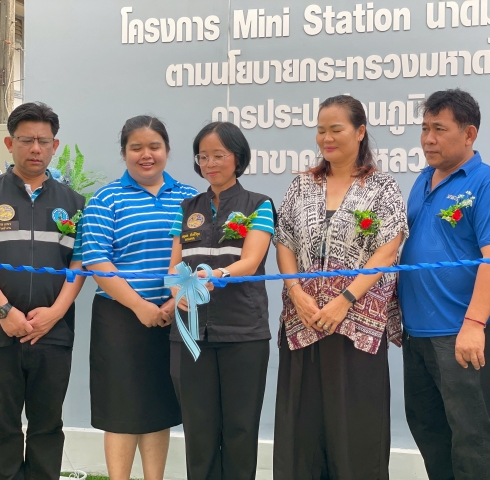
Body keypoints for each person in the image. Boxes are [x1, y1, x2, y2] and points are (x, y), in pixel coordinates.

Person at [273, 95, 408, 480]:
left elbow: (387, 249)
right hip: (303, 323)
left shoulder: (382, 187)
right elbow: (284, 241)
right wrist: (296, 292)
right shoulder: (302, 185)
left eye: (336, 129)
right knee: (302, 433)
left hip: (357, 328)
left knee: (356, 435)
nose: (326, 138)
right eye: (321, 130)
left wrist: (345, 300)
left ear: (360, 131)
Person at [0, 102, 86, 480]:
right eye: (26, 140)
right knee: (3, 427)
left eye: (44, 141)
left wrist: (55, 313)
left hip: (51, 334)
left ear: (55, 146)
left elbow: (79, 266)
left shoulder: (74, 204)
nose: (35, 148)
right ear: (10, 144)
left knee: (48, 426)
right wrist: (3, 311)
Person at [398, 89, 490, 480]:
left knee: (471, 437)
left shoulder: (488, 185)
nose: (428, 139)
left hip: (462, 332)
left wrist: (474, 324)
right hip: (417, 333)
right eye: (424, 129)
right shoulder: (422, 181)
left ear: (469, 134)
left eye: (439, 129)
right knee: (429, 432)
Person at [81, 116, 197, 480]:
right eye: (136, 148)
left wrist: (171, 303)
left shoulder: (189, 198)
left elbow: (195, 255)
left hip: (173, 313)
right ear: (124, 153)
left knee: (158, 408)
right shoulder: (107, 199)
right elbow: (96, 259)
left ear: (167, 150)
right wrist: (139, 305)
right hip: (119, 316)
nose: (146, 155)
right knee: (121, 409)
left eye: (154, 147)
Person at [167, 121, 275, 480]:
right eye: (203, 157)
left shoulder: (259, 205)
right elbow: (175, 265)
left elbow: (251, 261)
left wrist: (219, 274)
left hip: (243, 332)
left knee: (240, 428)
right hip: (191, 334)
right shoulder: (187, 208)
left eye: (219, 155)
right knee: (198, 430)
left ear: (237, 158)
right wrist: (178, 290)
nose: (210, 163)